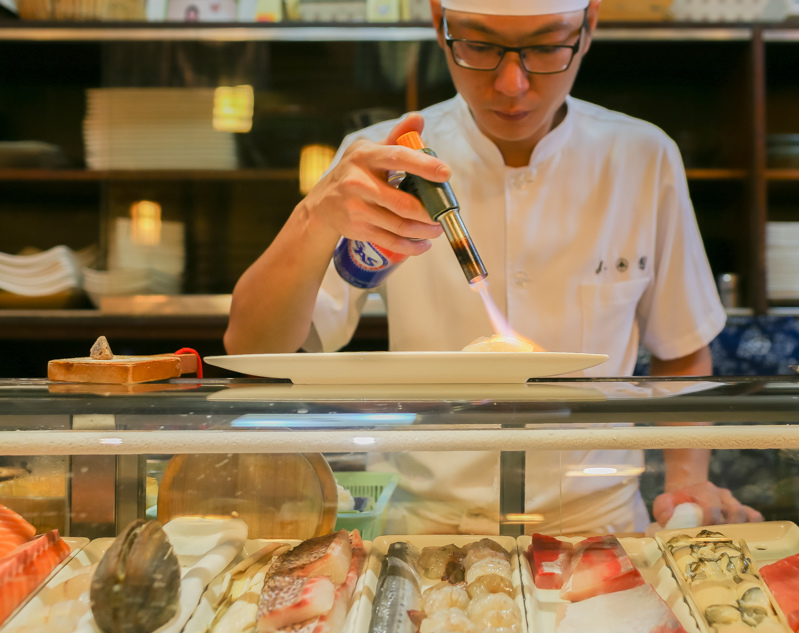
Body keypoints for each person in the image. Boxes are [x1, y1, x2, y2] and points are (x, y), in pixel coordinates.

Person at [225, 0, 762, 534]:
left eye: (547, 46)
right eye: (480, 46)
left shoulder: (643, 157)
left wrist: (687, 480)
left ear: (588, 25)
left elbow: (683, 347)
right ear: (440, 23)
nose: (511, 84)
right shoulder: (382, 163)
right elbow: (253, 347)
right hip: (425, 524)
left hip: (597, 525)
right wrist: (314, 216)